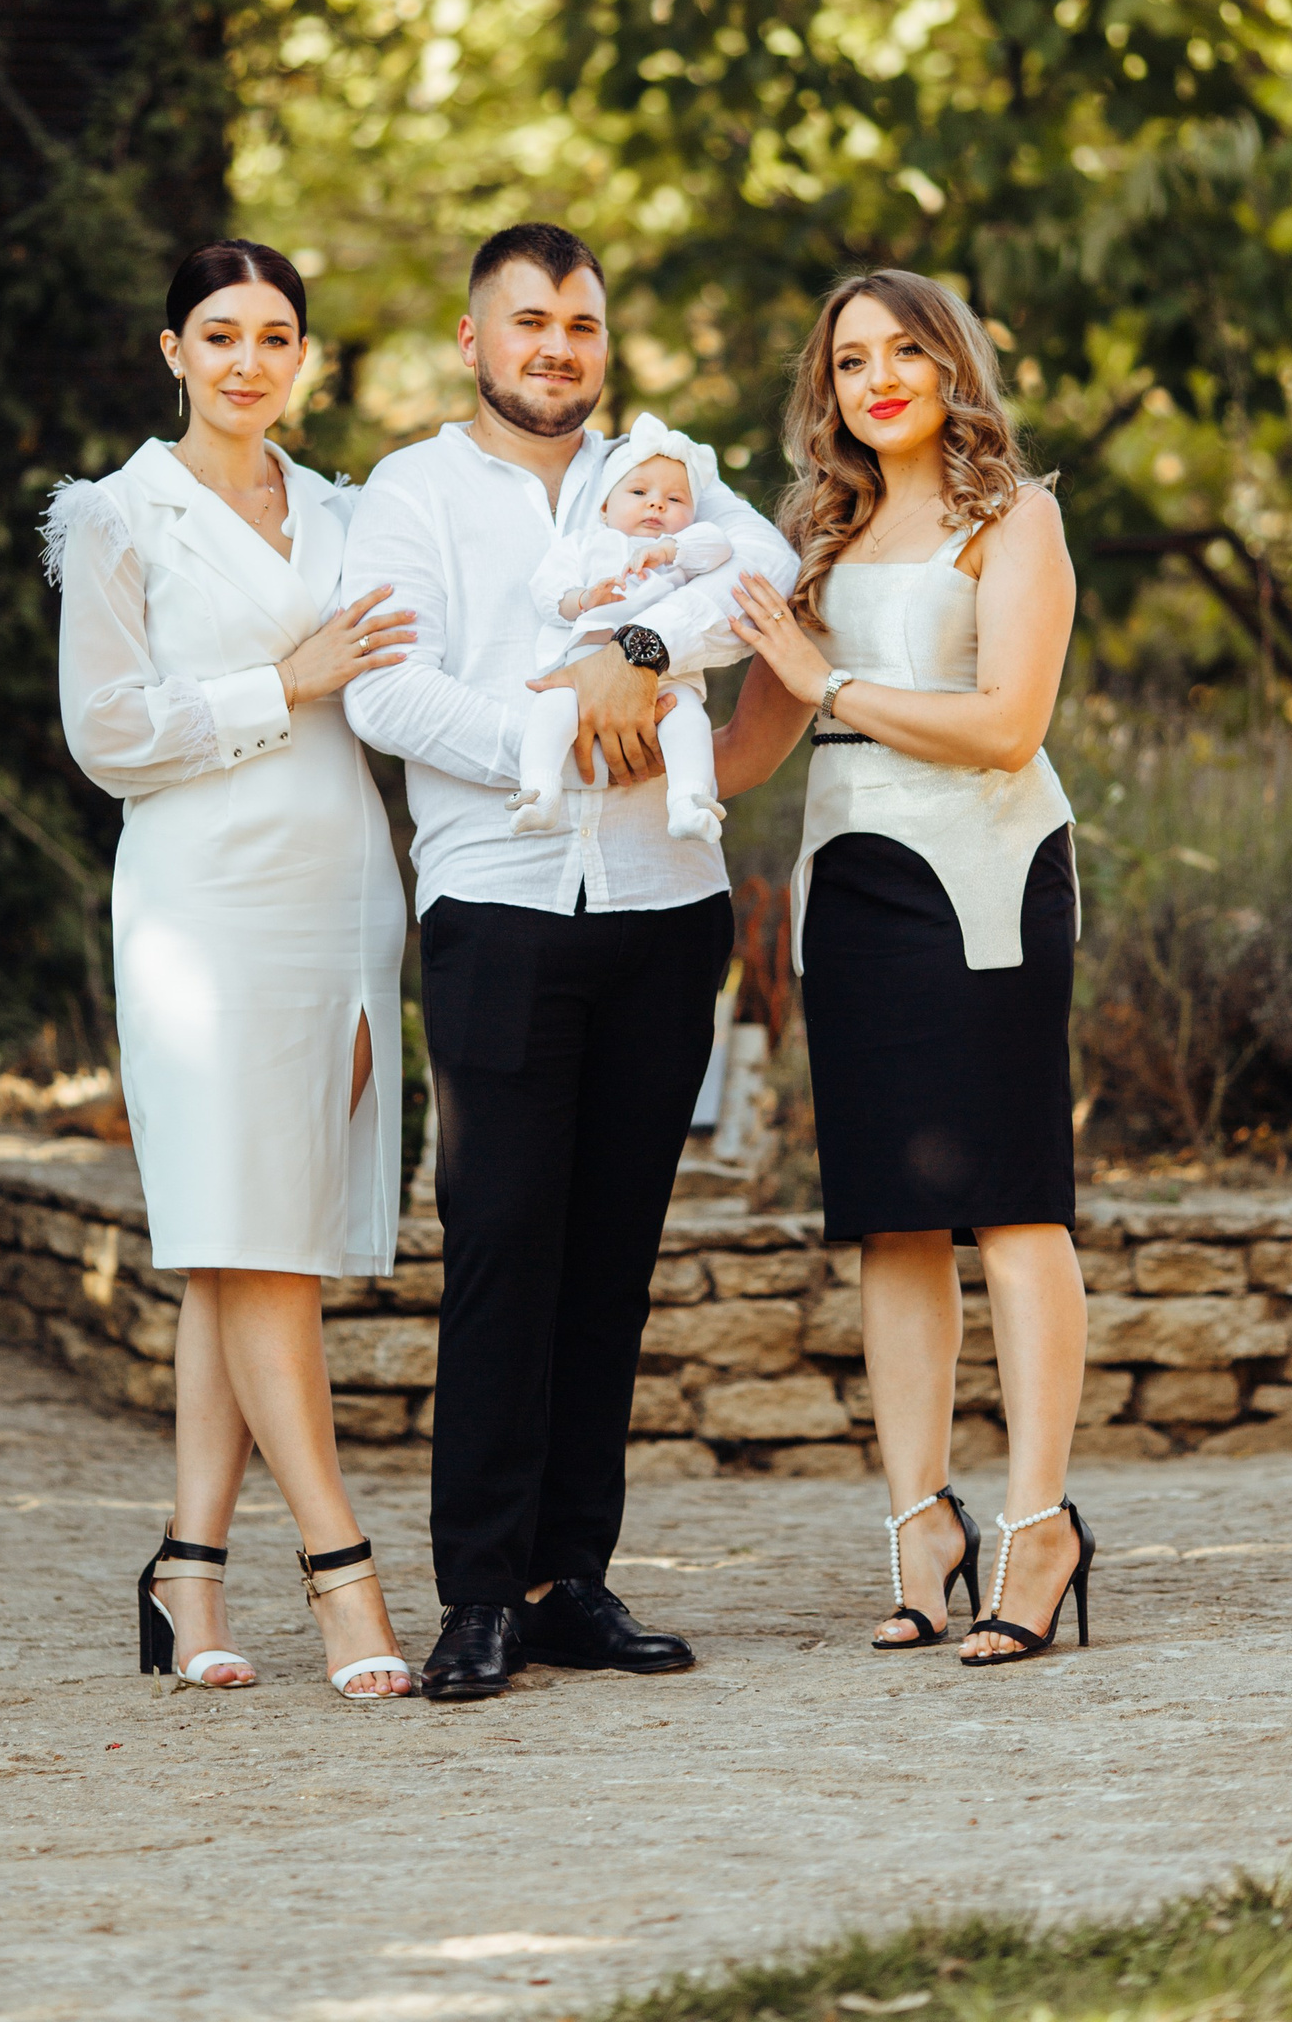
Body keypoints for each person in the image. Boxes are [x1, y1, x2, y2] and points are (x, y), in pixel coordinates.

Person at [342, 222, 798, 1702]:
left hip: (667, 909)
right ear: (473, 339)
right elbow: (387, 692)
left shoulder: (663, 470)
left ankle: (566, 1582)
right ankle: (478, 1592)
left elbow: (770, 572)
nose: (557, 347)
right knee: (500, 1246)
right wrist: (567, 735)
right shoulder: (409, 492)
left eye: (581, 324)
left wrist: (639, 659)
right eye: (529, 321)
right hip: (498, 902)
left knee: (612, 1255)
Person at [43, 238, 418, 1701]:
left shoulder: (347, 513)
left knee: (245, 1237)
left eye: (274, 336)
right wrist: (286, 681)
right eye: (219, 334)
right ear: (173, 352)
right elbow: (107, 733)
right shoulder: (118, 514)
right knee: (259, 1242)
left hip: (343, 890)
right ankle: (341, 1571)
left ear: (303, 356)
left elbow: (405, 677)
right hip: (204, 904)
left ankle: (188, 1573)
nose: (247, 361)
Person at [715, 266, 1095, 1667]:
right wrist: (599, 711)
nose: (876, 379)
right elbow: (747, 753)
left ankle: (1040, 1529)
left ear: (951, 365)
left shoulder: (1018, 518)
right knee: (891, 1219)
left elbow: (1006, 727)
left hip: (988, 884)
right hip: (853, 891)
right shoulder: (812, 538)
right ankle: (922, 1528)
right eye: (849, 360)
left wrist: (825, 682)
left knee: (1013, 1208)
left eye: (902, 352)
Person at [514, 415, 738, 845]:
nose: (656, 505)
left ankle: (690, 801)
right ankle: (538, 791)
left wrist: (669, 549)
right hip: (587, 663)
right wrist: (584, 599)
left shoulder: (682, 554)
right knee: (551, 707)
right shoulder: (586, 544)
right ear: (604, 507)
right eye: (639, 493)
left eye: (675, 499)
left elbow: (720, 546)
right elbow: (547, 592)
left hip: (667, 671)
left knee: (687, 719)